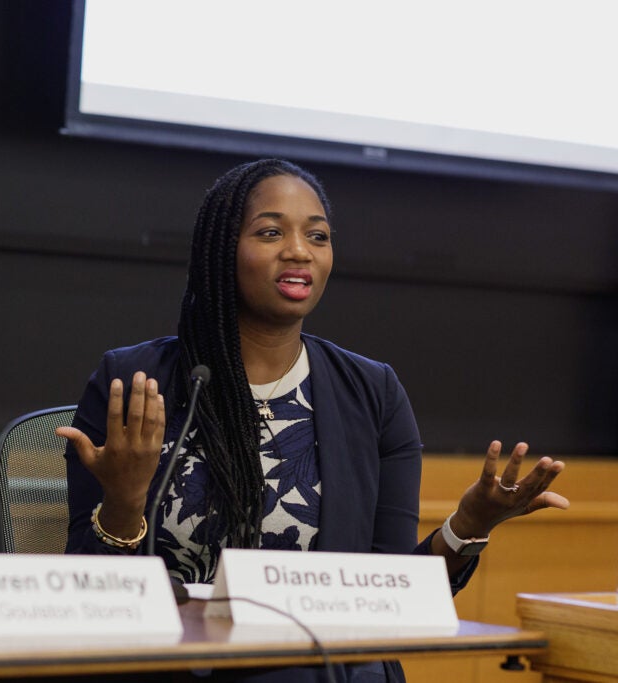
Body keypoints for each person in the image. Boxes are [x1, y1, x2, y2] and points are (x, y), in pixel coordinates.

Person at [58, 159, 568, 682]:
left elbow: (386, 592)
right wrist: (122, 501)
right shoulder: (134, 381)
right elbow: (87, 591)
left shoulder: (373, 393)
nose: (299, 250)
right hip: (165, 665)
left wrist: (469, 526)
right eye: (271, 232)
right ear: (220, 251)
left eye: (317, 236)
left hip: (318, 667)